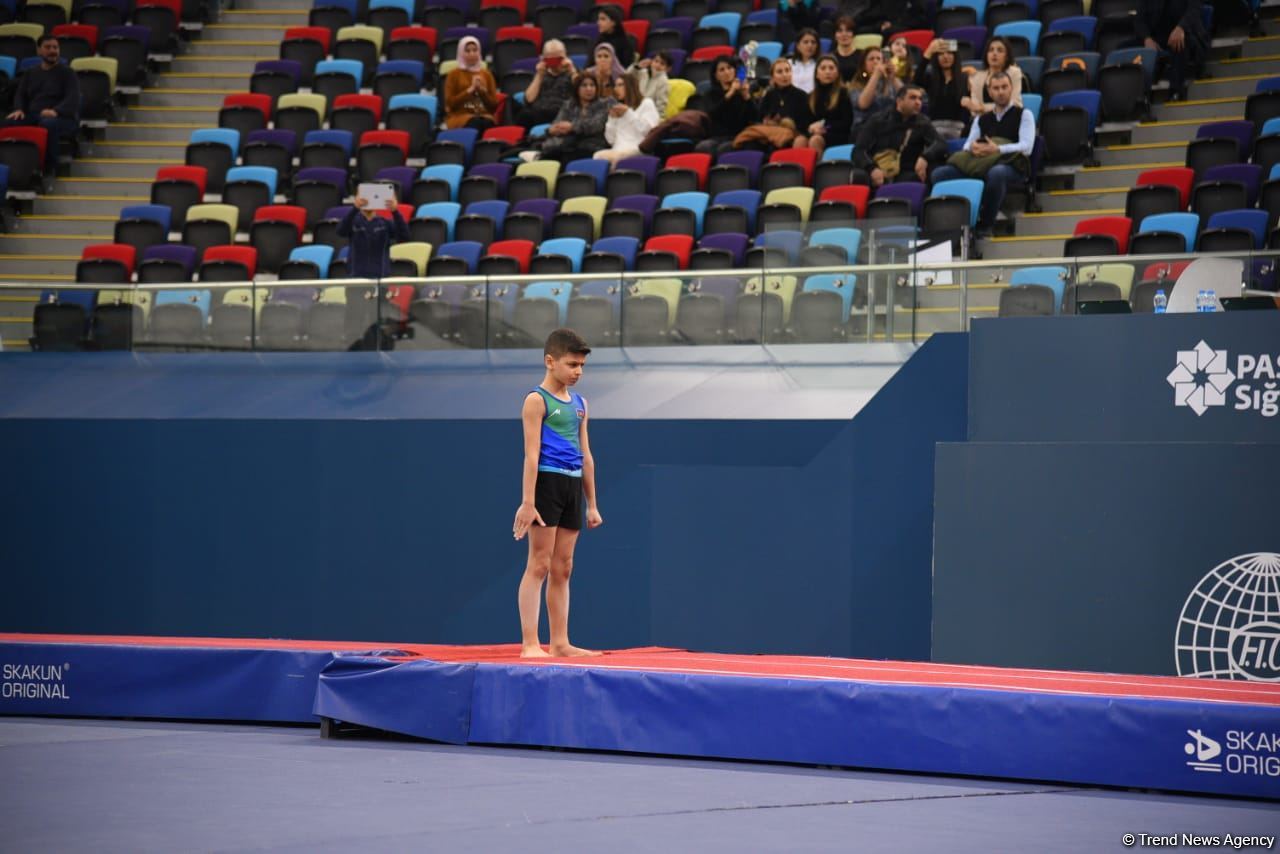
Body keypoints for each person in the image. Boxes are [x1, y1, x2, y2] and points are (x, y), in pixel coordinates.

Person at [513, 328, 603, 659]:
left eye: (581, 365)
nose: (578, 371)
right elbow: (531, 454)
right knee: (538, 564)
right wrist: (527, 502)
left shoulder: (580, 404)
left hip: (572, 485)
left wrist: (592, 503)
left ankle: (560, 642)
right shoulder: (537, 401)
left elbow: (586, 454)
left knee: (563, 566)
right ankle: (530, 644)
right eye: (571, 364)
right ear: (550, 362)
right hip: (547, 484)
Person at [930, 72, 1034, 234]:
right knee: (940, 174)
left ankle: (986, 224)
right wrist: (974, 148)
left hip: (1011, 164)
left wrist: (998, 149)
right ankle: (951, 224)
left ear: (1011, 88)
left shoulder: (1024, 114)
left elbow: (1027, 147)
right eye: (996, 88)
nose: (1001, 92)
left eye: (1004, 87)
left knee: (997, 173)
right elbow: (967, 145)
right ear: (990, 92)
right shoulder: (981, 119)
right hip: (982, 161)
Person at [3, 35, 80, 171]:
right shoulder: (30, 73)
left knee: (47, 124)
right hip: (34, 115)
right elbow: (20, 94)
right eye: (48, 47)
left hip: (63, 117)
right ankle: (9, 167)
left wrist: (56, 111)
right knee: (7, 122)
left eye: (55, 47)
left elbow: (73, 98)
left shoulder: (68, 73)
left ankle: (50, 168)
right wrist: (19, 109)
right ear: (39, 50)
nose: (52, 51)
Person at [852, 84, 947, 187]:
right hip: (879, 169)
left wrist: (925, 157)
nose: (918, 102)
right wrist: (872, 169)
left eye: (920, 99)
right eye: (912, 98)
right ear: (899, 101)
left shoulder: (923, 122)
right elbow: (858, 151)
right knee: (858, 175)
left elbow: (940, 143)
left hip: (907, 170)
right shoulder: (878, 120)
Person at [1135, 0, 1208, 102]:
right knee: (1123, 46)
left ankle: (1176, 92)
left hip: (1186, 33)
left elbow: (1194, 10)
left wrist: (1181, 27)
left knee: (1179, 44)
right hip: (1156, 37)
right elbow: (1139, 20)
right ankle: (1133, 96)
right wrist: (1147, 38)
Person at [538, 73, 613, 162]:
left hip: (592, 145)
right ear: (577, 89)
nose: (589, 89)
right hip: (567, 145)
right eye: (584, 85)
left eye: (592, 85)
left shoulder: (605, 104)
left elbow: (596, 125)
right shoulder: (569, 105)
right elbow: (558, 123)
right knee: (548, 155)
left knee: (567, 157)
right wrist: (552, 129)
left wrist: (572, 127)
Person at [336, 190, 410, 278]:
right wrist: (355, 208)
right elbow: (340, 231)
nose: (367, 199)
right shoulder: (352, 222)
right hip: (355, 279)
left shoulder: (385, 223)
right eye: (363, 196)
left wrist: (395, 211)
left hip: (381, 279)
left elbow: (405, 237)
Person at [747, 57, 814, 149]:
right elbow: (760, 118)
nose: (785, 75)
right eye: (779, 72)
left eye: (787, 70)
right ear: (773, 77)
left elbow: (805, 125)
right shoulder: (769, 95)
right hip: (771, 135)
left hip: (793, 136)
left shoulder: (801, 96)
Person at [595, 73, 661, 165]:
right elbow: (611, 140)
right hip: (617, 149)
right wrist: (612, 119)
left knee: (616, 159)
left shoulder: (646, 103)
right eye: (615, 85)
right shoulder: (618, 108)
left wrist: (628, 113)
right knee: (597, 156)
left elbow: (648, 131)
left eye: (620, 85)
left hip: (638, 149)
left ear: (630, 86)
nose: (615, 89)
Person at [696, 56, 757, 154]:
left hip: (739, 135)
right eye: (722, 70)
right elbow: (713, 114)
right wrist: (730, 93)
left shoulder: (743, 93)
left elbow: (754, 117)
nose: (727, 72)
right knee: (702, 147)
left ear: (735, 71)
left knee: (723, 149)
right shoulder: (710, 94)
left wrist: (746, 96)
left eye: (729, 68)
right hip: (717, 136)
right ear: (716, 75)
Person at [914, 38, 968, 140]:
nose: (945, 56)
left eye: (949, 53)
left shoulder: (965, 78)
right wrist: (929, 51)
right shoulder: (931, 78)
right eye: (941, 54)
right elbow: (916, 79)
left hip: (957, 128)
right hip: (934, 127)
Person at [443, 35, 498, 130]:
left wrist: (483, 92)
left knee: (488, 124)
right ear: (461, 53)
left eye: (475, 50)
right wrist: (470, 90)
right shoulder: (453, 75)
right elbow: (450, 104)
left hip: (484, 116)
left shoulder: (487, 74)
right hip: (459, 117)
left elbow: (493, 107)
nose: (472, 54)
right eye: (467, 51)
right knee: (474, 124)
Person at [520, 39, 577, 129]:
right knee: (524, 114)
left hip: (562, 111)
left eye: (558, 58)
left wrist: (572, 70)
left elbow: (581, 89)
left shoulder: (573, 73)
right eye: (550, 59)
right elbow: (528, 100)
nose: (555, 63)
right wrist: (539, 75)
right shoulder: (541, 74)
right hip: (539, 111)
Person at [962, 36, 1024, 117]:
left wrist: (982, 108)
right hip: (982, 121)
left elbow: (1016, 104)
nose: (994, 53)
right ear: (986, 55)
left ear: (1007, 56)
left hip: (1009, 119)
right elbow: (974, 111)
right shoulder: (977, 77)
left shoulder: (1014, 73)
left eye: (1000, 50)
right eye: (991, 50)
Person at [806, 55, 853, 156]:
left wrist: (825, 126)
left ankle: (819, 171)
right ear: (817, 74)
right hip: (817, 133)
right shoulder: (811, 96)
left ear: (837, 73)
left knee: (815, 140)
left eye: (831, 68)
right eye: (823, 68)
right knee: (800, 140)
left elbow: (846, 122)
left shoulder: (843, 93)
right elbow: (807, 121)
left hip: (838, 134)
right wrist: (811, 128)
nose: (827, 72)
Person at [849, 47, 901, 131]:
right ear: (863, 64)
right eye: (871, 59)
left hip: (891, 125)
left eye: (878, 58)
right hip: (865, 127)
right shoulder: (855, 84)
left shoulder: (890, 81)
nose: (875, 61)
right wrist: (876, 75)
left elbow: (906, 97)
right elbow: (863, 105)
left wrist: (894, 78)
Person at [630, 50, 671, 116]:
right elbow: (626, 78)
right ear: (651, 62)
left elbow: (661, 106)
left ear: (668, 69)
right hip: (633, 109)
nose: (657, 65)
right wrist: (637, 67)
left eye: (662, 64)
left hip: (648, 115)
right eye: (656, 61)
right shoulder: (643, 72)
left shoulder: (664, 82)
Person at [594, 4, 634, 68]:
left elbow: (627, 68)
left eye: (603, 19)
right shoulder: (598, 41)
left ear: (613, 22)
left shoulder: (625, 42)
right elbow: (590, 64)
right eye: (598, 19)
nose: (598, 23)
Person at [790, 28, 820, 94]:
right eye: (805, 42)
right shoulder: (788, 64)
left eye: (813, 42)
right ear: (798, 46)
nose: (810, 45)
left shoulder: (821, 65)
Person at [832, 16, 860, 84]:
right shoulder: (830, 57)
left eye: (848, 31)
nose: (844, 34)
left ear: (853, 34)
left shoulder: (863, 55)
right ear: (835, 35)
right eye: (839, 31)